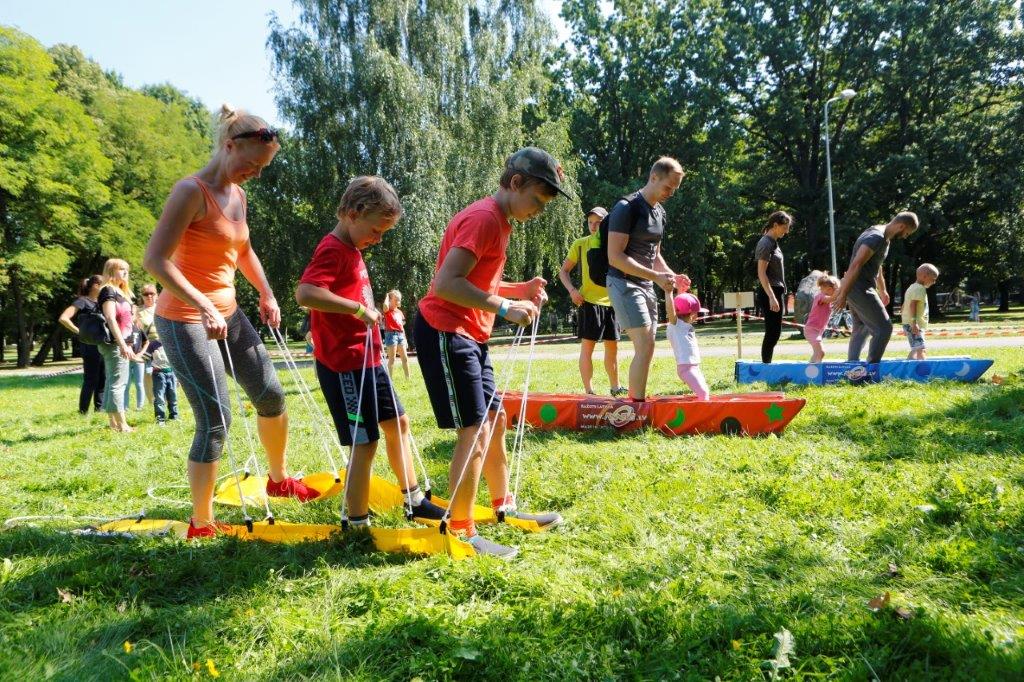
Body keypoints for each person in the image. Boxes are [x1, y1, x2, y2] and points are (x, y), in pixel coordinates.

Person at [144, 104, 315, 539]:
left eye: (262, 169)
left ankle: (278, 479)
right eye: (251, 164)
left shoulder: (238, 196)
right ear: (229, 146)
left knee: (271, 395)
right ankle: (201, 523)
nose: (254, 174)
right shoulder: (190, 191)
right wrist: (203, 304)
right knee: (216, 419)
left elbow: (243, 251)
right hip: (184, 318)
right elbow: (155, 260)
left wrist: (266, 291)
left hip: (229, 313)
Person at [414, 147, 568, 559]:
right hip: (446, 330)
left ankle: (503, 506)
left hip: (469, 333)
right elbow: (446, 283)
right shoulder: (484, 219)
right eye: (537, 200)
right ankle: (460, 530)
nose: (539, 210)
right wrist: (505, 307)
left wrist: (519, 289)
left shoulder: (500, 221)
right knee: (475, 431)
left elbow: (478, 278)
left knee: (496, 420)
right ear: (515, 183)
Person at [296, 176, 446, 528]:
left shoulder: (352, 250)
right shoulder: (333, 249)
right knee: (364, 443)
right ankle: (357, 523)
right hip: (345, 365)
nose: (378, 239)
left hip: (369, 361)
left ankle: (414, 500)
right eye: (376, 230)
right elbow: (306, 293)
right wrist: (358, 309)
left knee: (398, 423)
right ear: (353, 213)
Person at [606, 157, 688, 401]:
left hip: (645, 284)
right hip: (623, 282)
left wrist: (672, 276)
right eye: (668, 187)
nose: (671, 193)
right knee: (644, 344)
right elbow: (615, 257)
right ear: (654, 177)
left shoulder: (660, 212)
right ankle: (636, 406)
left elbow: (655, 255)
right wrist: (656, 277)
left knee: (649, 345)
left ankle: (636, 401)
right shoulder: (626, 208)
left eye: (675, 189)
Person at [832, 212, 920, 363]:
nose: (905, 237)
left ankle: (852, 366)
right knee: (884, 328)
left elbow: (876, 264)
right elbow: (856, 264)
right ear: (901, 226)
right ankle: (872, 368)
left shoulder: (883, 238)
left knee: (862, 327)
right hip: (859, 287)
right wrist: (843, 294)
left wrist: (882, 289)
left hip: (859, 287)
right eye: (907, 233)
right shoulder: (876, 237)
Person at [558, 206, 625, 396]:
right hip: (589, 302)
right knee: (588, 348)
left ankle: (616, 388)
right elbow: (563, 272)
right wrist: (572, 291)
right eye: (590, 223)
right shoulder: (580, 244)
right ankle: (589, 392)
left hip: (613, 303)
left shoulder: (615, 244)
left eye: (598, 223)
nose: (594, 226)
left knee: (613, 348)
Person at [96, 258, 138, 433]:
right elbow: (110, 318)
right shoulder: (108, 290)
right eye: (121, 269)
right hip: (115, 343)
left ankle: (113, 423)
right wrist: (122, 344)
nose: (125, 272)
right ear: (111, 271)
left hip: (120, 343)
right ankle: (122, 424)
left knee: (113, 381)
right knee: (118, 383)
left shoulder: (120, 291)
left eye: (126, 269)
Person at [57, 275, 106, 414]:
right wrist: (80, 332)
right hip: (89, 346)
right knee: (91, 379)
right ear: (95, 285)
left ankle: (99, 410)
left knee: (103, 378)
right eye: (103, 284)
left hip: (103, 344)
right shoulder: (83, 301)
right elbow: (64, 318)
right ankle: (83, 411)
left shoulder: (103, 302)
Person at [755, 211, 793, 363]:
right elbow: (761, 273)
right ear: (775, 225)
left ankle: (767, 363)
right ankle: (766, 365)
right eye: (785, 227)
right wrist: (771, 296)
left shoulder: (773, 243)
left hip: (776, 290)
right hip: (769, 292)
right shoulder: (765, 243)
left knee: (775, 332)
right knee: (772, 333)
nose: (787, 231)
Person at [665, 281, 710, 399]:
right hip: (686, 368)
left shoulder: (684, 325)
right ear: (692, 314)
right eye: (696, 313)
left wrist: (681, 290)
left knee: (704, 392)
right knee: (703, 394)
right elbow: (671, 309)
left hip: (694, 366)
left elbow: (680, 304)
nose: (697, 316)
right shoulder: (676, 325)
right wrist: (668, 292)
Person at [901, 263, 939, 360]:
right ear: (924, 276)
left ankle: (908, 367)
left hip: (910, 324)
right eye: (933, 279)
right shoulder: (920, 289)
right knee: (921, 349)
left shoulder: (912, 287)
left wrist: (905, 324)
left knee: (916, 349)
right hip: (914, 324)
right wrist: (913, 323)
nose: (934, 282)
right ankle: (924, 368)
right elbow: (912, 305)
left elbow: (904, 306)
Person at [804, 273, 839, 363]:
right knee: (820, 352)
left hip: (817, 330)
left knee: (818, 353)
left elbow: (835, 299)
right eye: (835, 290)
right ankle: (816, 368)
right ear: (829, 289)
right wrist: (841, 289)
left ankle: (811, 366)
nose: (836, 292)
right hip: (811, 330)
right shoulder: (820, 297)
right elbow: (832, 298)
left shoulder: (827, 300)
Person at [135, 284, 159, 403]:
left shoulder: (162, 308)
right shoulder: (137, 311)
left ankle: (165, 398)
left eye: (152, 293)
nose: (149, 296)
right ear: (142, 296)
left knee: (165, 372)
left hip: (162, 346)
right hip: (146, 347)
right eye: (146, 294)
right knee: (148, 375)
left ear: (157, 295)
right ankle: (152, 400)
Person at [382, 290, 411, 380]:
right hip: (391, 335)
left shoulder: (399, 312)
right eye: (396, 299)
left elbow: (401, 326)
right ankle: (389, 379)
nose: (398, 301)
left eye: (399, 299)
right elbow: (385, 306)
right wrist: (387, 296)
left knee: (405, 358)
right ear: (390, 300)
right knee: (392, 359)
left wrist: (405, 339)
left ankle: (408, 378)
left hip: (400, 335)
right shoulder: (388, 310)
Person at [123, 307, 148, 411]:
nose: (130, 315)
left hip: (138, 360)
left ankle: (140, 406)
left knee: (139, 384)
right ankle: (125, 407)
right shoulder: (124, 327)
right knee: (126, 384)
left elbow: (146, 342)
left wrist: (141, 354)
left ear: (136, 315)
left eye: (132, 313)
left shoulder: (139, 327)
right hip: (127, 359)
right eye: (129, 313)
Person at [150, 341, 179, 425]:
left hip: (171, 373)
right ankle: (160, 418)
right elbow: (145, 357)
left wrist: (178, 377)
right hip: (159, 374)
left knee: (173, 396)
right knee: (159, 397)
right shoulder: (153, 344)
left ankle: (174, 416)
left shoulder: (172, 342)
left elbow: (177, 360)